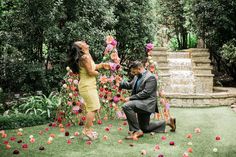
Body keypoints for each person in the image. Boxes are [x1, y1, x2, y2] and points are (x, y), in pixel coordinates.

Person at [119, 61, 176, 140]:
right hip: (140, 102)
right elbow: (130, 85)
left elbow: (145, 93)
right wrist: (120, 83)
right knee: (145, 128)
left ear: (139, 68)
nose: (133, 73)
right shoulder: (136, 76)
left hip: (147, 103)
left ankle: (136, 131)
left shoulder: (150, 77)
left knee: (126, 106)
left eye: (134, 71)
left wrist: (130, 98)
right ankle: (168, 122)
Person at [67, 41, 109, 140]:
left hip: (89, 85)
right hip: (87, 86)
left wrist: (102, 65)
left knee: (94, 107)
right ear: (81, 47)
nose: (84, 42)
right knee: (93, 108)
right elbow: (90, 72)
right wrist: (101, 75)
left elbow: (93, 67)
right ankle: (86, 130)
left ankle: (88, 130)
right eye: (82, 42)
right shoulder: (84, 58)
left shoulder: (87, 55)